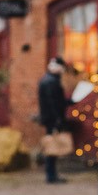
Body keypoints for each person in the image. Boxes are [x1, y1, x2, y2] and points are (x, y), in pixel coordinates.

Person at [37, 56, 70, 184]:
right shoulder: (51, 82)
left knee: (52, 145)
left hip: (50, 118)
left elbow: (57, 101)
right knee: (52, 146)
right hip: (52, 119)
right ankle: (51, 175)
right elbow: (53, 103)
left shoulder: (47, 80)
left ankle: (52, 174)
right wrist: (58, 119)